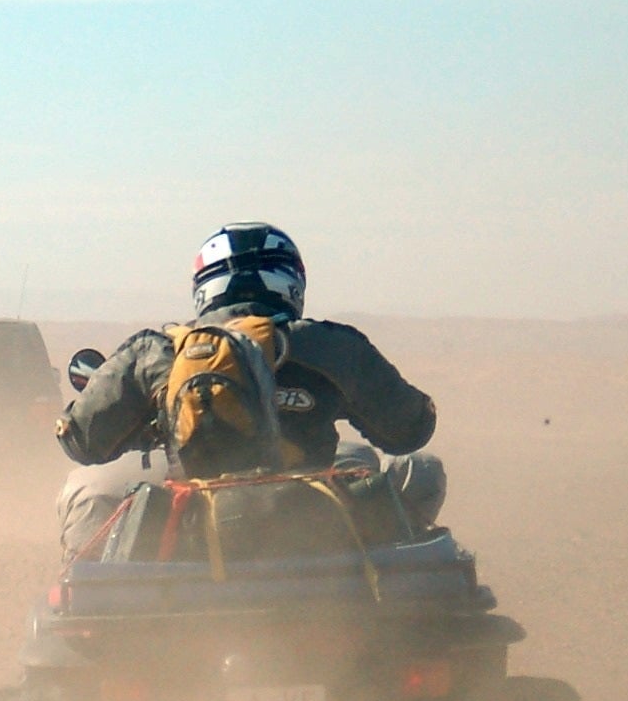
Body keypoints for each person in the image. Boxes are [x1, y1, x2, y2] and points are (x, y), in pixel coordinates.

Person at [55, 223, 442, 554]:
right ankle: (407, 586)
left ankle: (92, 613)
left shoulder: (154, 352)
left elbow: (80, 440)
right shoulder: (334, 346)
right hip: (315, 530)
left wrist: (155, 421)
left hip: (192, 535)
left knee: (86, 493)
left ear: (205, 287)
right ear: (290, 282)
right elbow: (410, 431)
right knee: (425, 470)